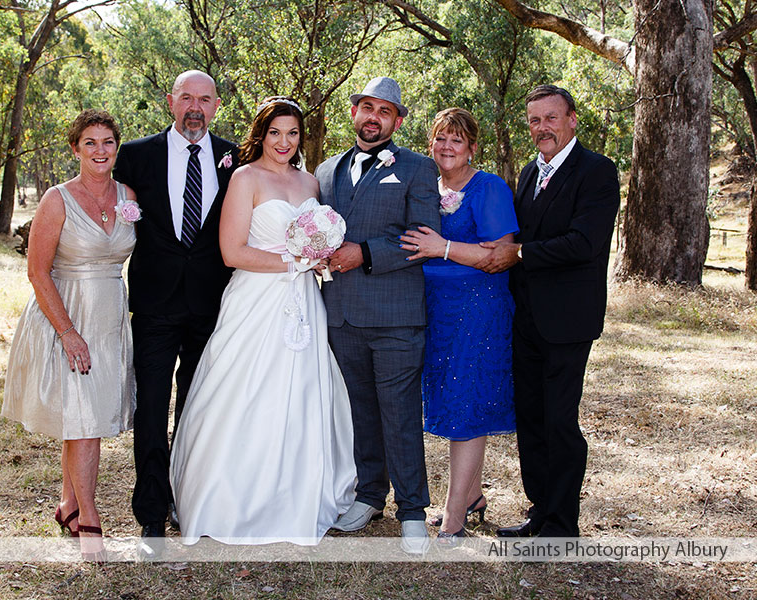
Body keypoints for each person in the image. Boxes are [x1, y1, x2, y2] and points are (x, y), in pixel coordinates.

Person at [169, 97, 356, 545]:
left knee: (302, 391)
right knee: (245, 391)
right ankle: (226, 498)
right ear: (262, 133)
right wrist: (295, 261)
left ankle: (295, 494)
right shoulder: (245, 177)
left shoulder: (311, 183)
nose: (284, 142)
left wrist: (319, 258)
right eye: (275, 133)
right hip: (256, 300)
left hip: (305, 302)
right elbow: (234, 252)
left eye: (292, 134)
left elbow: (319, 243)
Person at [479, 85, 620, 537]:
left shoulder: (597, 171)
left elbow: (584, 243)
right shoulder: (527, 173)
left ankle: (562, 524)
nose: (543, 127)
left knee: (559, 421)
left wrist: (518, 254)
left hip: (568, 319)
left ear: (572, 119)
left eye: (551, 118)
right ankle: (540, 511)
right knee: (532, 419)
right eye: (535, 120)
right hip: (526, 319)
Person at [2, 109, 136, 561]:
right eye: (90, 143)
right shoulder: (57, 200)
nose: (101, 151)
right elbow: (37, 272)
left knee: (85, 416)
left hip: (111, 315)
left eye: (108, 142)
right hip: (68, 315)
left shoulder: (128, 195)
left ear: (117, 147)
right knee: (86, 422)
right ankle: (90, 519)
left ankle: (67, 505)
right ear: (75, 148)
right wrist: (68, 333)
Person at [112, 70, 239, 546]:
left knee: (198, 405)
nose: (194, 107)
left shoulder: (236, 158)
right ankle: (150, 510)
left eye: (204, 99)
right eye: (186, 97)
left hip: (212, 303)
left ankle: (189, 498)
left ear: (217, 105)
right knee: (151, 408)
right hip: (154, 304)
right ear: (170, 101)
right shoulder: (136, 156)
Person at [315, 77, 440, 555]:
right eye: (367, 107)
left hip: (394, 317)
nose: (374, 117)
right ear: (354, 113)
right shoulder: (326, 171)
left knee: (401, 414)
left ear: (397, 121)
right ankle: (370, 495)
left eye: (384, 111)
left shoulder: (416, 168)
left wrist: (362, 253)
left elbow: (423, 237)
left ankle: (412, 510)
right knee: (358, 412)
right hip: (340, 314)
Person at [399, 108, 518, 546]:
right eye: (440, 139)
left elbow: (499, 254)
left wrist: (442, 247)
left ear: (471, 147)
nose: (447, 147)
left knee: (468, 404)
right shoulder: (426, 189)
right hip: (435, 309)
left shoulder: (489, 188)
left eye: (457, 140)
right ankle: (471, 496)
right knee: (450, 401)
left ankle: (453, 520)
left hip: (478, 309)